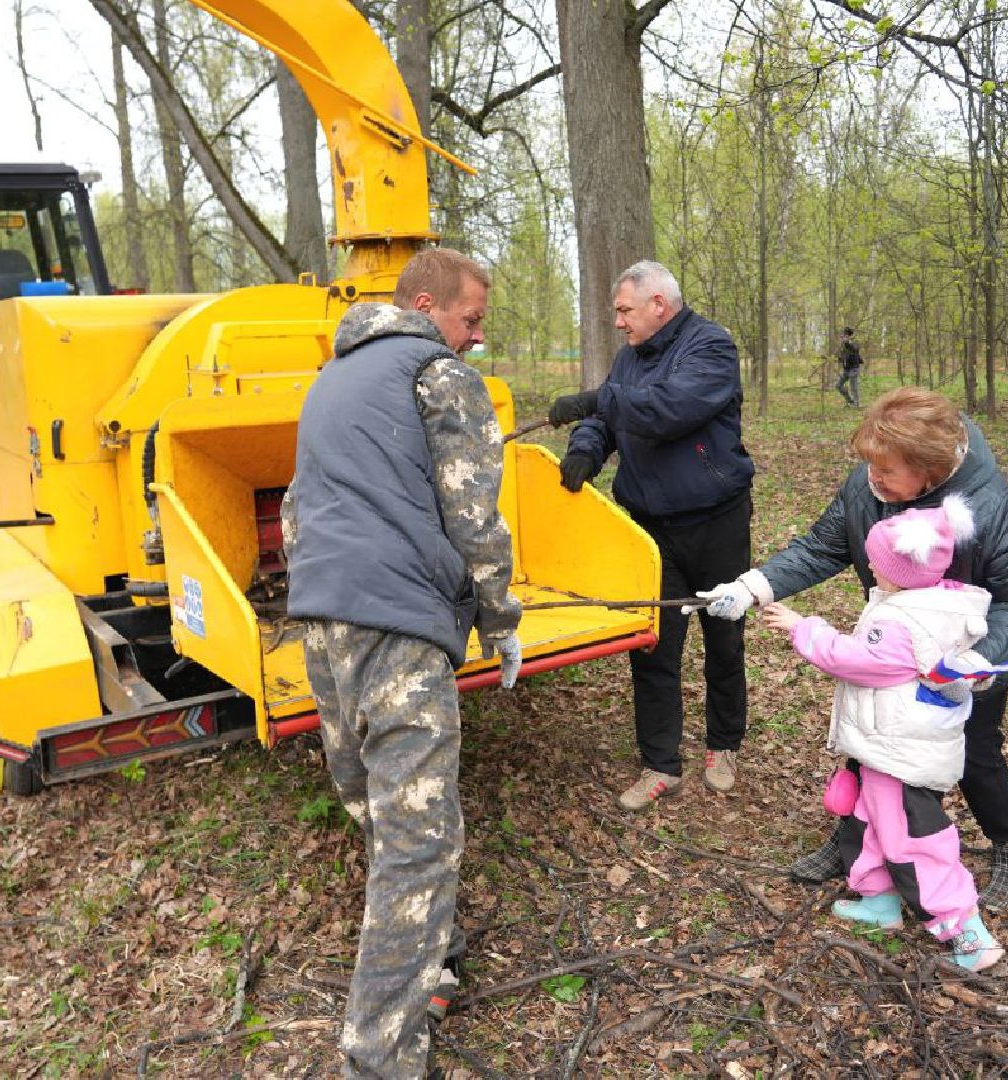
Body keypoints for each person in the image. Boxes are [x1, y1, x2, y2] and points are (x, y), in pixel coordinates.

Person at [282, 247, 523, 1078]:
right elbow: (474, 513)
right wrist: (499, 617)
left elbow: (294, 508)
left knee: (381, 810)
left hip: (323, 622)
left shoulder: (329, 379)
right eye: (471, 318)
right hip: (396, 628)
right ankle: (379, 1057)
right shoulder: (437, 374)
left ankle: (439, 951)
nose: (476, 337)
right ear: (425, 305)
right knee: (417, 845)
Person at [694, 387, 1008, 908]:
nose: (872, 479)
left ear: (929, 469)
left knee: (975, 749)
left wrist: (972, 659)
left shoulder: (987, 505)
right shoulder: (870, 484)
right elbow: (821, 547)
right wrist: (751, 587)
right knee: (870, 742)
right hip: (890, 647)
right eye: (869, 466)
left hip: (963, 662)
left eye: (887, 471)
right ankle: (851, 844)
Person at [762, 494, 1008, 971]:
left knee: (913, 839)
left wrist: (804, 627)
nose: (868, 566)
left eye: (875, 562)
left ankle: (965, 930)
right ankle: (878, 900)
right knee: (867, 822)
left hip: (901, 753)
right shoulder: (939, 603)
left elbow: (852, 660)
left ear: (898, 573)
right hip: (891, 745)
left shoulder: (900, 621)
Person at [548, 260, 756, 810]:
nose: (619, 321)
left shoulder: (711, 349)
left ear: (658, 305)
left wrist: (595, 399)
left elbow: (668, 410)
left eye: (624, 310)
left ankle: (723, 744)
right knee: (653, 645)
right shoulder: (628, 357)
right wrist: (585, 450)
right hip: (650, 530)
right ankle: (660, 762)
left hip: (716, 521)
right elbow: (611, 417)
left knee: (724, 634)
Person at [836, 327, 863, 407]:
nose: (842, 337)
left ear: (848, 336)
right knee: (838, 385)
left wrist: (847, 342)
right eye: (842, 335)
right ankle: (850, 401)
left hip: (854, 369)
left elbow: (854, 350)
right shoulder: (843, 345)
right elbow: (842, 357)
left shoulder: (855, 343)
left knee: (853, 387)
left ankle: (856, 404)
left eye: (844, 335)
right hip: (846, 370)